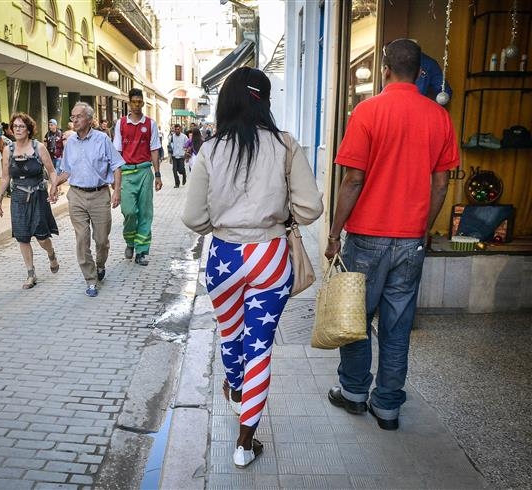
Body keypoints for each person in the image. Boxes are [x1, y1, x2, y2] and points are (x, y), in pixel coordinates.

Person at [182, 67, 323, 468]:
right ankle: (246, 442)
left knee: (230, 335)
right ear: (265, 101)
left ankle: (237, 390)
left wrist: (223, 223)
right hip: (270, 256)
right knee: (259, 348)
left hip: (224, 255)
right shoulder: (285, 145)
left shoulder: (209, 150)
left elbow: (193, 218)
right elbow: (311, 208)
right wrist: (281, 218)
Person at [324, 39, 459, 431]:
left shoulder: (367, 112)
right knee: (397, 327)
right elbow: (441, 184)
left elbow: (352, 179)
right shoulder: (439, 117)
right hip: (410, 241)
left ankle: (352, 394)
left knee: (356, 320)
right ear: (420, 73)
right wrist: (422, 226)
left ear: (384, 70)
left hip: (365, 238)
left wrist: (335, 233)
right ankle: (387, 407)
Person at [50, 102, 125, 297]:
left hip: (100, 195)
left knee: (101, 240)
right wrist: (55, 184)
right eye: (72, 117)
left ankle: (100, 265)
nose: (74, 120)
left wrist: (117, 191)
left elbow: (117, 165)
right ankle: (90, 279)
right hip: (76, 195)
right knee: (82, 239)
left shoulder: (102, 139)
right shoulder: (70, 143)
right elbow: (66, 170)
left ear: (90, 120)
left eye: (78, 117)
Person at [0, 112, 60, 289]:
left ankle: (51, 253)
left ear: (29, 129)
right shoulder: (8, 150)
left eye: (21, 126)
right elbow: (5, 176)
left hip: (38, 196)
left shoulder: (38, 147)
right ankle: (31, 274)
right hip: (18, 197)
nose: (17, 129)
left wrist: (54, 186)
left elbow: (52, 170)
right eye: (15, 126)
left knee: (41, 237)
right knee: (22, 237)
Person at [112, 88, 162, 266]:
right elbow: (116, 152)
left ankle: (141, 250)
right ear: (129, 103)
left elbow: (154, 149)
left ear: (143, 103)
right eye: (134, 102)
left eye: (140, 102)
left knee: (146, 212)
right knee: (129, 211)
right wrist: (114, 180)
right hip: (126, 173)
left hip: (144, 172)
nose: (137, 105)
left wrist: (157, 175)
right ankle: (130, 242)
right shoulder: (121, 124)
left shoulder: (150, 124)